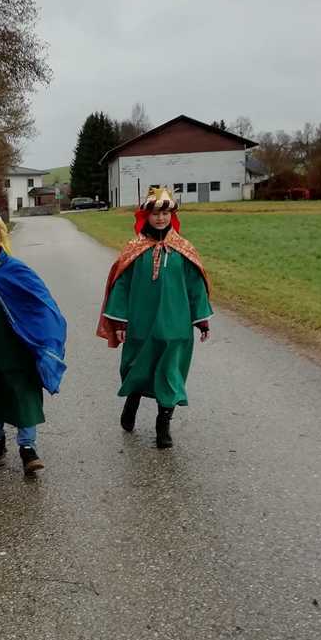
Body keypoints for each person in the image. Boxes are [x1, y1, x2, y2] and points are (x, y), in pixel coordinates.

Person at [96, 187, 213, 448]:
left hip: (175, 327)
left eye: (165, 213)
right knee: (137, 367)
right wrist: (120, 322)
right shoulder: (134, 249)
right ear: (146, 216)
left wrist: (201, 320)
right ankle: (132, 400)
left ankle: (163, 425)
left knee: (170, 373)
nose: (160, 218)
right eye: (155, 213)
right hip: (141, 325)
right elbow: (121, 286)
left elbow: (195, 286)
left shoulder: (183, 250)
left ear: (172, 216)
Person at [0, 210, 67, 475]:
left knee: (24, 396)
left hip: (18, 348)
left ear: (1, 237)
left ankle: (27, 448)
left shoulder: (17, 269)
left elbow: (42, 303)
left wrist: (45, 337)